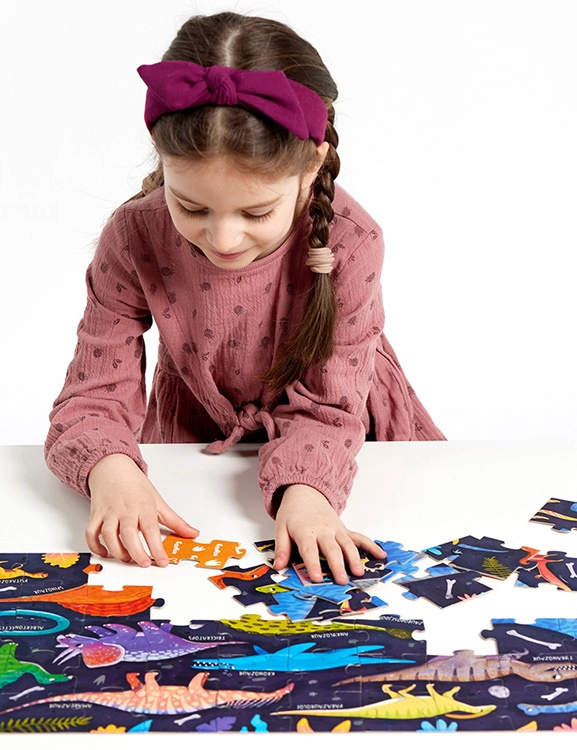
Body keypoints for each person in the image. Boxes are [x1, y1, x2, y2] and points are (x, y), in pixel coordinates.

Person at [44, 12, 444, 587]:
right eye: (192, 207)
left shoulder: (353, 241)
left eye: (256, 212)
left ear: (311, 166)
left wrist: (308, 493)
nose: (224, 239)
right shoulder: (133, 234)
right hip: (193, 445)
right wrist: (110, 471)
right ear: (161, 159)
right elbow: (93, 391)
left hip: (344, 440)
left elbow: (330, 407)